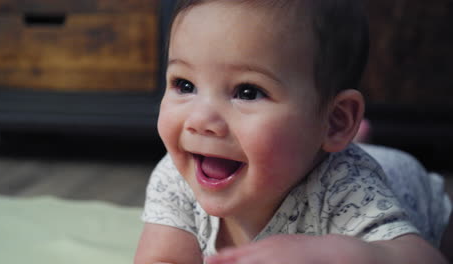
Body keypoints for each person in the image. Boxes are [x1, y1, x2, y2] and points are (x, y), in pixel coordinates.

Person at [134, 0, 451, 263]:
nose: (200, 120)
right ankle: (351, 139)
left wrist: (348, 254)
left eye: (248, 92)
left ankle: (352, 143)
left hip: (405, 177)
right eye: (184, 85)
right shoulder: (176, 177)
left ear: (335, 120)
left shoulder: (346, 189)